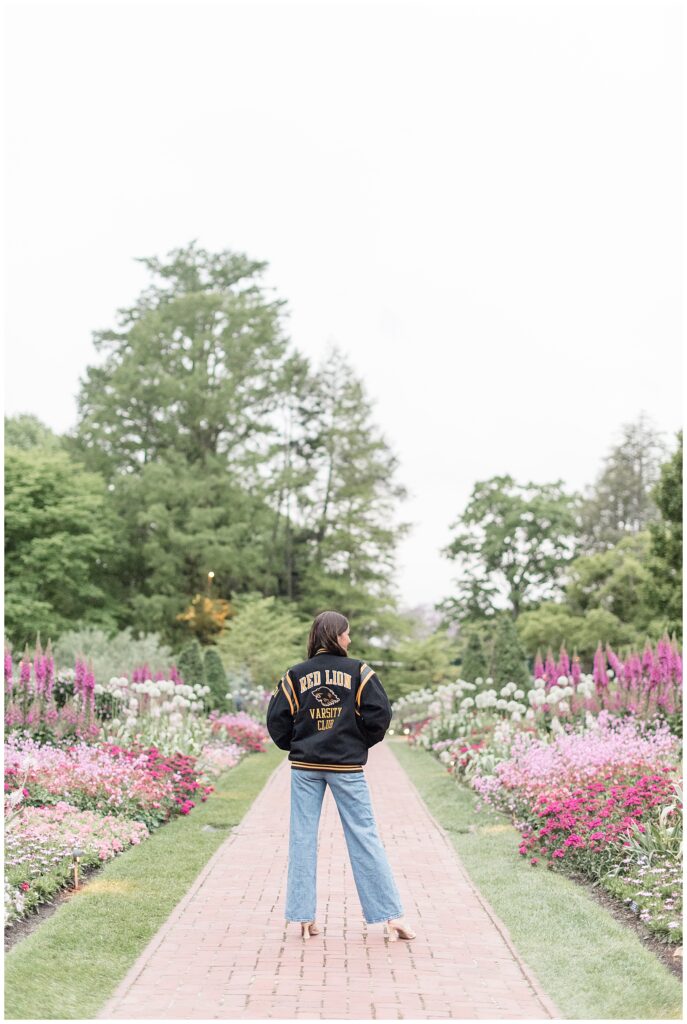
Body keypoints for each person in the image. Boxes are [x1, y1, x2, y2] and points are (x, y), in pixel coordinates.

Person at [266, 609, 416, 942]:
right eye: (346, 633)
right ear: (335, 636)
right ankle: (391, 917)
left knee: (302, 838)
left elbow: (276, 720)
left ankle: (303, 919)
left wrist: (299, 743)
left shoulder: (295, 674)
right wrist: (357, 741)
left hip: (305, 768)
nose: (349, 639)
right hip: (346, 767)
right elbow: (381, 715)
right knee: (364, 835)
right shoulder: (359, 672)